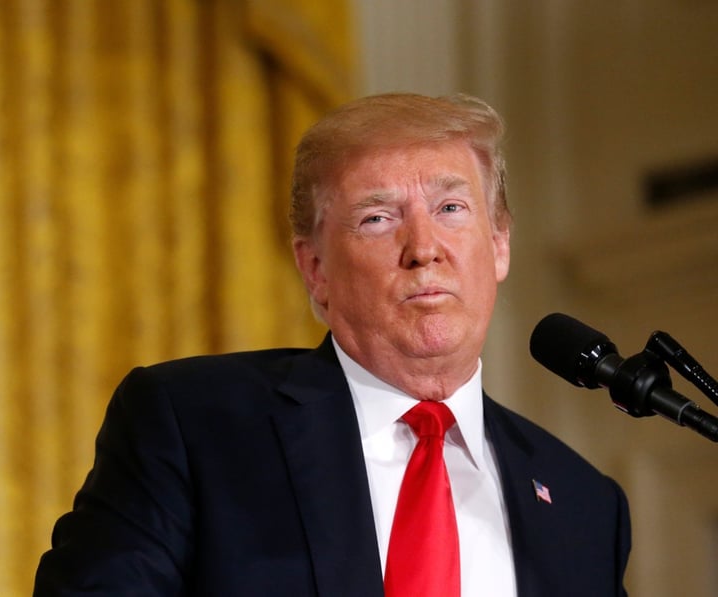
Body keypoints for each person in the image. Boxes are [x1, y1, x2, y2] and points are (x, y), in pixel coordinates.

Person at [33, 92, 631, 596]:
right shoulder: (193, 426)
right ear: (315, 267)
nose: (423, 247)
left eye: (451, 207)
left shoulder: (584, 504)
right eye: (377, 218)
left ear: (499, 245)